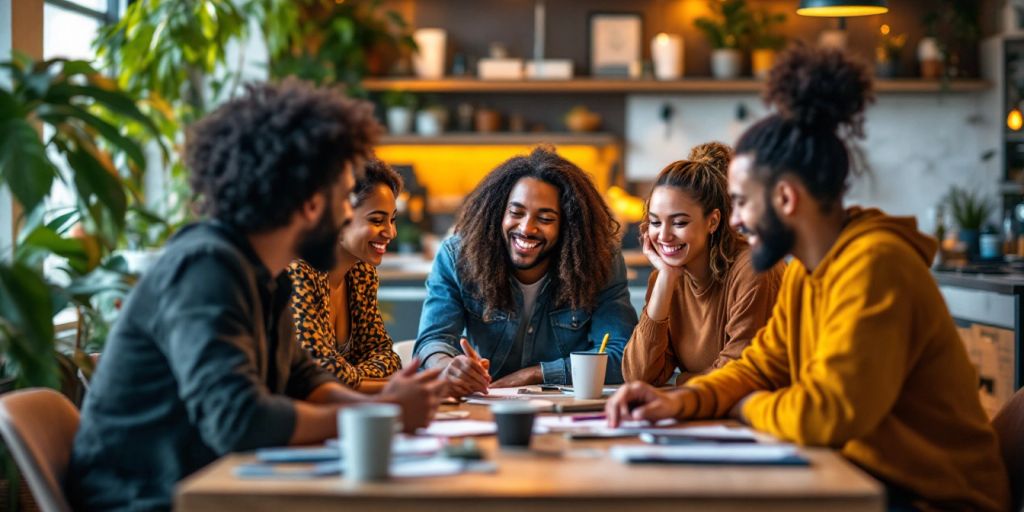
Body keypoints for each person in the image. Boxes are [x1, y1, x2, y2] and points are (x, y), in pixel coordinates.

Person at [606, 44, 1010, 511]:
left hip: (932, 497)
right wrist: (681, 402)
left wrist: (740, 405)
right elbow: (760, 368)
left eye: (742, 202)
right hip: (862, 478)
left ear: (785, 198)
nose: (734, 222)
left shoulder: (876, 266)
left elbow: (828, 413)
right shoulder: (807, 274)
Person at [67, 80, 443, 511]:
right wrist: (383, 416)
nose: (345, 214)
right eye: (343, 198)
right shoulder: (206, 267)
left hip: (212, 485)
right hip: (147, 499)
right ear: (308, 202)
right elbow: (238, 420)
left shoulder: (266, 273)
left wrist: (385, 404)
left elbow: (305, 381)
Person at [414, 147, 638, 397]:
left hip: (567, 407)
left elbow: (623, 357)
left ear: (569, 226)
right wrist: (447, 366)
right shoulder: (458, 257)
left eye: (545, 218)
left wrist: (536, 374)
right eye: (516, 213)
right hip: (485, 405)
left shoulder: (598, 261)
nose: (526, 228)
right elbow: (431, 342)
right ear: (499, 211)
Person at [622, 142, 783, 386]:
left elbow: (737, 376)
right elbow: (638, 376)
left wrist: (681, 380)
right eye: (655, 223)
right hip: (706, 414)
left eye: (679, 223)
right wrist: (665, 278)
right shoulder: (667, 279)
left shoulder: (753, 269)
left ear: (713, 221)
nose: (664, 236)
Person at [288, 159, 403, 390]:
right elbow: (317, 371)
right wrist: (386, 386)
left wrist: (347, 377)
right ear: (339, 215)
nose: (390, 232)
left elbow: (387, 358)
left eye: (392, 220)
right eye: (376, 220)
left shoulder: (362, 274)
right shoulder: (300, 270)